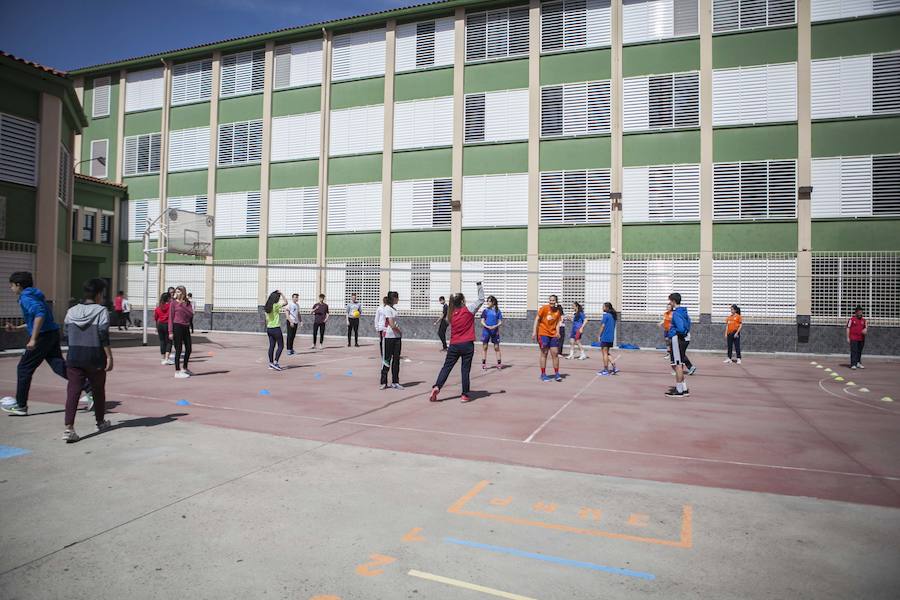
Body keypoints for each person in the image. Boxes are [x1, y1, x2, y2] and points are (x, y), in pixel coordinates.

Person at [2, 272, 91, 416]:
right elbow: (36, 317)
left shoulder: (26, 297)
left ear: (18, 285)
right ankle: (89, 388)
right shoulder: (36, 295)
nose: (11, 288)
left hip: (43, 337)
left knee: (24, 368)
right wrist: (17, 328)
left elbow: (40, 314)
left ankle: (21, 405)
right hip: (51, 333)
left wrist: (33, 339)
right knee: (58, 365)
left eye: (11, 286)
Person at [62, 278, 113, 443]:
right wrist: (109, 356)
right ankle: (100, 422)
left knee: (73, 392)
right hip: (95, 357)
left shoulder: (71, 311)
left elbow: (66, 334)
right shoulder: (101, 311)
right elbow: (103, 335)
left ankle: (69, 428)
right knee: (98, 390)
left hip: (74, 356)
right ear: (99, 294)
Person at [429, 282, 485, 403]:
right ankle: (464, 395)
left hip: (454, 345)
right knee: (465, 370)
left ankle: (437, 386)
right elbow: (481, 299)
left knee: (446, 367)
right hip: (467, 345)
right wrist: (479, 285)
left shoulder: (450, 315)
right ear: (462, 302)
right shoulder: (469, 310)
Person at [665, 292, 691, 397]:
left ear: (673, 301)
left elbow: (680, 328)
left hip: (678, 339)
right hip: (683, 339)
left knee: (678, 364)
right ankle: (683, 388)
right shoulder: (683, 311)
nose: (669, 303)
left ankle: (679, 390)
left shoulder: (676, 313)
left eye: (670, 301)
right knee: (676, 364)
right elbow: (689, 323)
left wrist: (673, 331)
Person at [533, 294, 564, 382]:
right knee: (544, 353)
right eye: (550, 300)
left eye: (553, 300)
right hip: (543, 333)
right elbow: (537, 319)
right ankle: (543, 374)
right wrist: (534, 331)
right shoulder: (544, 308)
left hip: (553, 334)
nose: (551, 302)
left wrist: (557, 332)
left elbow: (558, 323)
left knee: (555, 353)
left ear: (556, 301)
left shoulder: (558, 311)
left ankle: (557, 374)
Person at [168, 286, 194, 378]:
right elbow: (170, 318)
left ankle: (185, 368)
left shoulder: (187, 303)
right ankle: (177, 371)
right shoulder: (173, 303)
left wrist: (183, 304)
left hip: (186, 327)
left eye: (179, 292)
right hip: (177, 326)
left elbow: (190, 314)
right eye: (176, 292)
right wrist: (170, 331)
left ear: (183, 293)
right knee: (178, 349)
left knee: (189, 349)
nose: (177, 293)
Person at [380, 293, 403, 390]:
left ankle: (395, 382)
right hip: (388, 337)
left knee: (396, 360)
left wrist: (398, 333)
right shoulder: (387, 309)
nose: (398, 300)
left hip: (396, 338)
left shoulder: (394, 309)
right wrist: (400, 330)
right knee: (386, 359)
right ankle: (384, 382)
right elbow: (391, 324)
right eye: (397, 298)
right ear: (393, 298)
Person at [264, 290, 286, 371]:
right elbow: (286, 302)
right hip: (276, 328)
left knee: (272, 346)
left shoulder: (267, 306)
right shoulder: (275, 305)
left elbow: (266, 319)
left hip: (269, 328)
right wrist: (282, 294)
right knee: (281, 346)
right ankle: (276, 362)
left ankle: (271, 363)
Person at [480, 295, 503, 370]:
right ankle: (483, 364)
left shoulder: (498, 311)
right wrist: (486, 326)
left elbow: (500, 322)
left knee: (496, 347)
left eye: (489, 301)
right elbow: (482, 321)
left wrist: (495, 326)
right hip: (486, 331)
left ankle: (499, 364)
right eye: (487, 301)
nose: (488, 302)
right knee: (485, 347)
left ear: (493, 302)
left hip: (495, 331)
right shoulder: (485, 311)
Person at [597, 302, 618, 376]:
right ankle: (614, 367)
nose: (602, 308)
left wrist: (599, 335)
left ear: (607, 308)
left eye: (603, 307)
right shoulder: (613, 316)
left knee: (604, 354)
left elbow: (602, 326)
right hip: (611, 337)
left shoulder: (605, 316)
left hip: (605, 337)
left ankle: (606, 370)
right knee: (607, 353)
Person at [154, 292, 173, 365]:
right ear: (168, 298)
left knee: (162, 341)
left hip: (160, 325)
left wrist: (156, 326)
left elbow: (156, 317)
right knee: (169, 342)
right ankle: (167, 359)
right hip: (168, 325)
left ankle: (162, 358)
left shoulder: (158, 307)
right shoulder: (170, 306)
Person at [375, 296, 387, 362]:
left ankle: (387, 353)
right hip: (381, 327)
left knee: (387, 341)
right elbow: (376, 318)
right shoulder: (379, 308)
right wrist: (377, 327)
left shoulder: (388, 308)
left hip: (387, 328)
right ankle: (382, 354)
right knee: (381, 341)